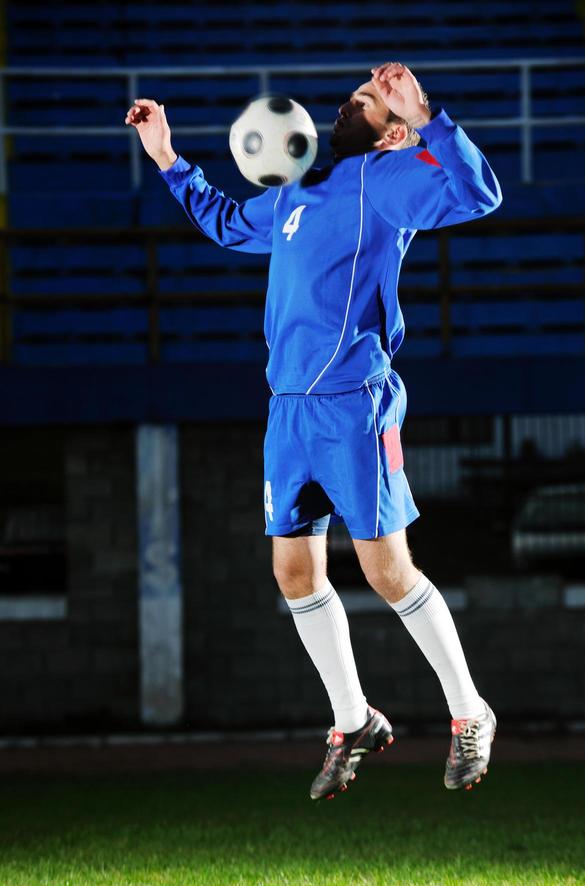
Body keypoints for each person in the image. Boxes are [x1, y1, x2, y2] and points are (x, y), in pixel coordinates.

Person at [125, 62, 502, 801]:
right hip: (289, 408)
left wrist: (421, 114)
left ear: (392, 129)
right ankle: (353, 718)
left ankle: (469, 710)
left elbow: (479, 193)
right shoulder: (298, 191)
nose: (349, 104)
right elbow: (232, 226)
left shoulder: (392, 180)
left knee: (387, 572)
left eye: (367, 101)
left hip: (354, 404)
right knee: (294, 573)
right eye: (358, 94)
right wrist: (168, 157)